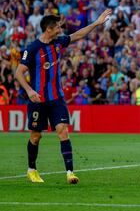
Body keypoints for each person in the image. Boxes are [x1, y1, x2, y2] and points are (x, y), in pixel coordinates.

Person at [15, 9, 112, 184]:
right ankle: (31, 169)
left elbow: (78, 34)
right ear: (48, 29)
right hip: (38, 100)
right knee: (36, 136)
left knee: (63, 131)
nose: (60, 30)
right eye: (57, 27)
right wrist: (29, 91)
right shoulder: (32, 49)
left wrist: (97, 23)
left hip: (56, 99)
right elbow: (19, 73)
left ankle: (70, 173)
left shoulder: (59, 42)